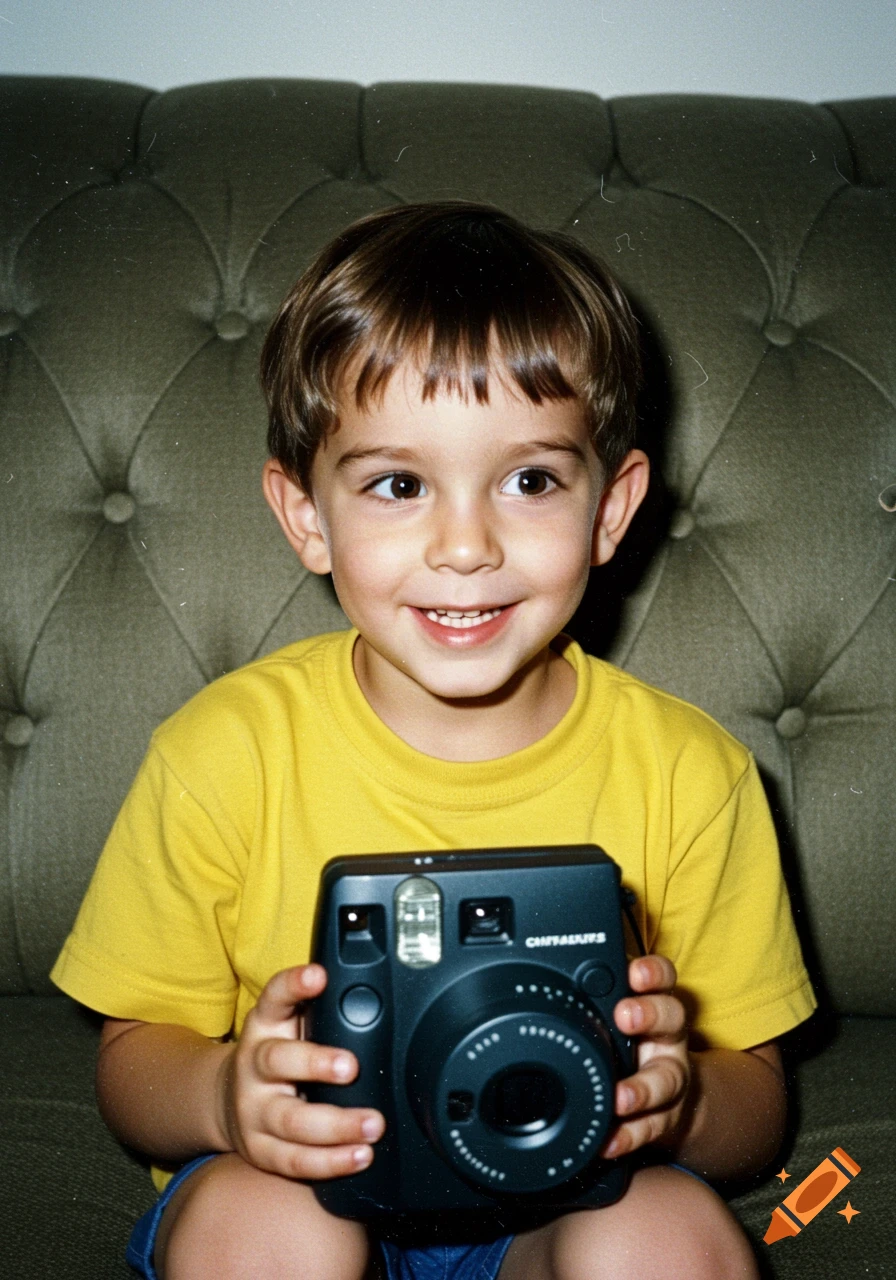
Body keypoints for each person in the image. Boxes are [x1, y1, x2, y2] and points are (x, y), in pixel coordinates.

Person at [51, 201, 816, 1280]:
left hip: (560, 1199)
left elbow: (757, 1103)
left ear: (611, 508)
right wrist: (227, 1094)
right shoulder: (222, 750)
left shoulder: (689, 773)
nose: (465, 544)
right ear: (305, 515)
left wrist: (678, 1094)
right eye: (398, 484)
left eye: (531, 479)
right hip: (305, 1184)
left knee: (665, 1238)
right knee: (263, 1226)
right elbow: (131, 1060)